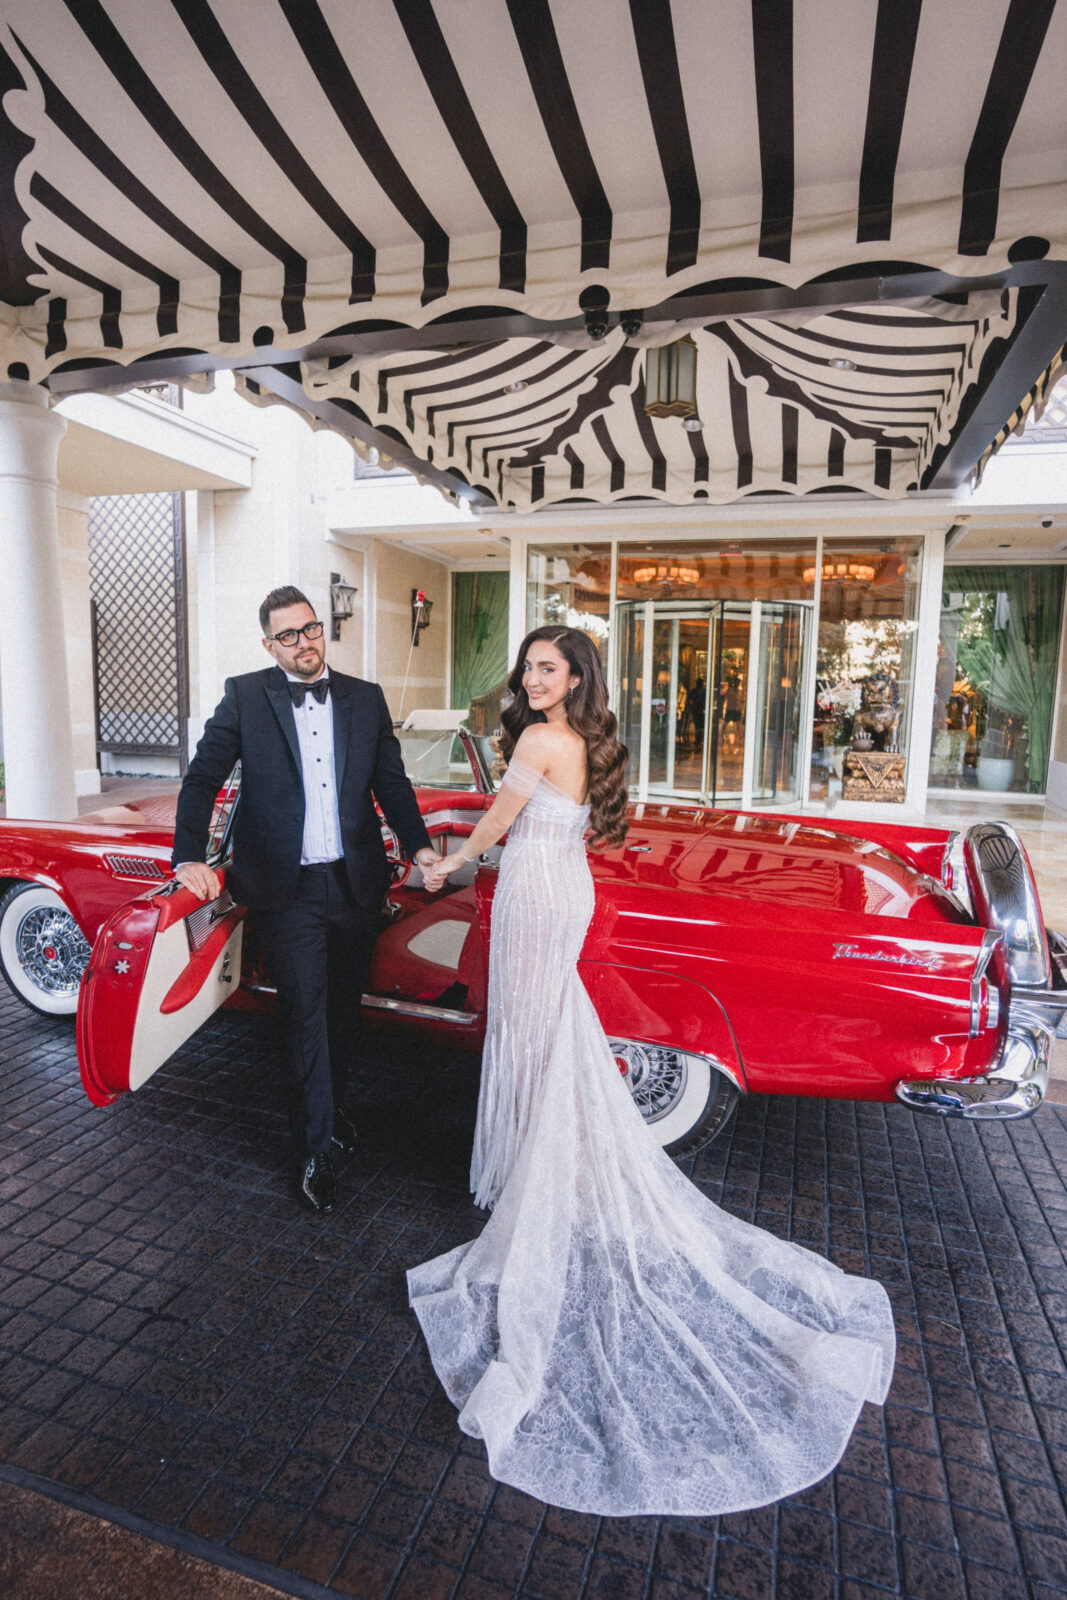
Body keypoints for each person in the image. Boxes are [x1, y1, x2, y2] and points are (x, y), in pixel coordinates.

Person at [409, 625, 895, 1517]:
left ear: (575, 677)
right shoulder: (587, 740)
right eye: (528, 665)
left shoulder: (537, 738)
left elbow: (491, 827)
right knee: (553, 1030)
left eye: (548, 667)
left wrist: (446, 863)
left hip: (534, 891)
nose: (532, 677)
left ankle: (533, 1171)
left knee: (534, 1031)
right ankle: (540, 1162)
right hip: (564, 888)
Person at [172, 586, 437, 1214]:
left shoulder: (364, 698)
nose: (304, 642)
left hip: (353, 883)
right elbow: (203, 778)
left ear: (323, 630)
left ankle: (331, 1113)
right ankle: (314, 1146)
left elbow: (392, 785)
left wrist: (421, 847)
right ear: (270, 645)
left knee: (343, 1011)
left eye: (311, 629)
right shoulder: (244, 696)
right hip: (283, 890)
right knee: (303, 1012)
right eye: (288, 635)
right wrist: (188, 857)